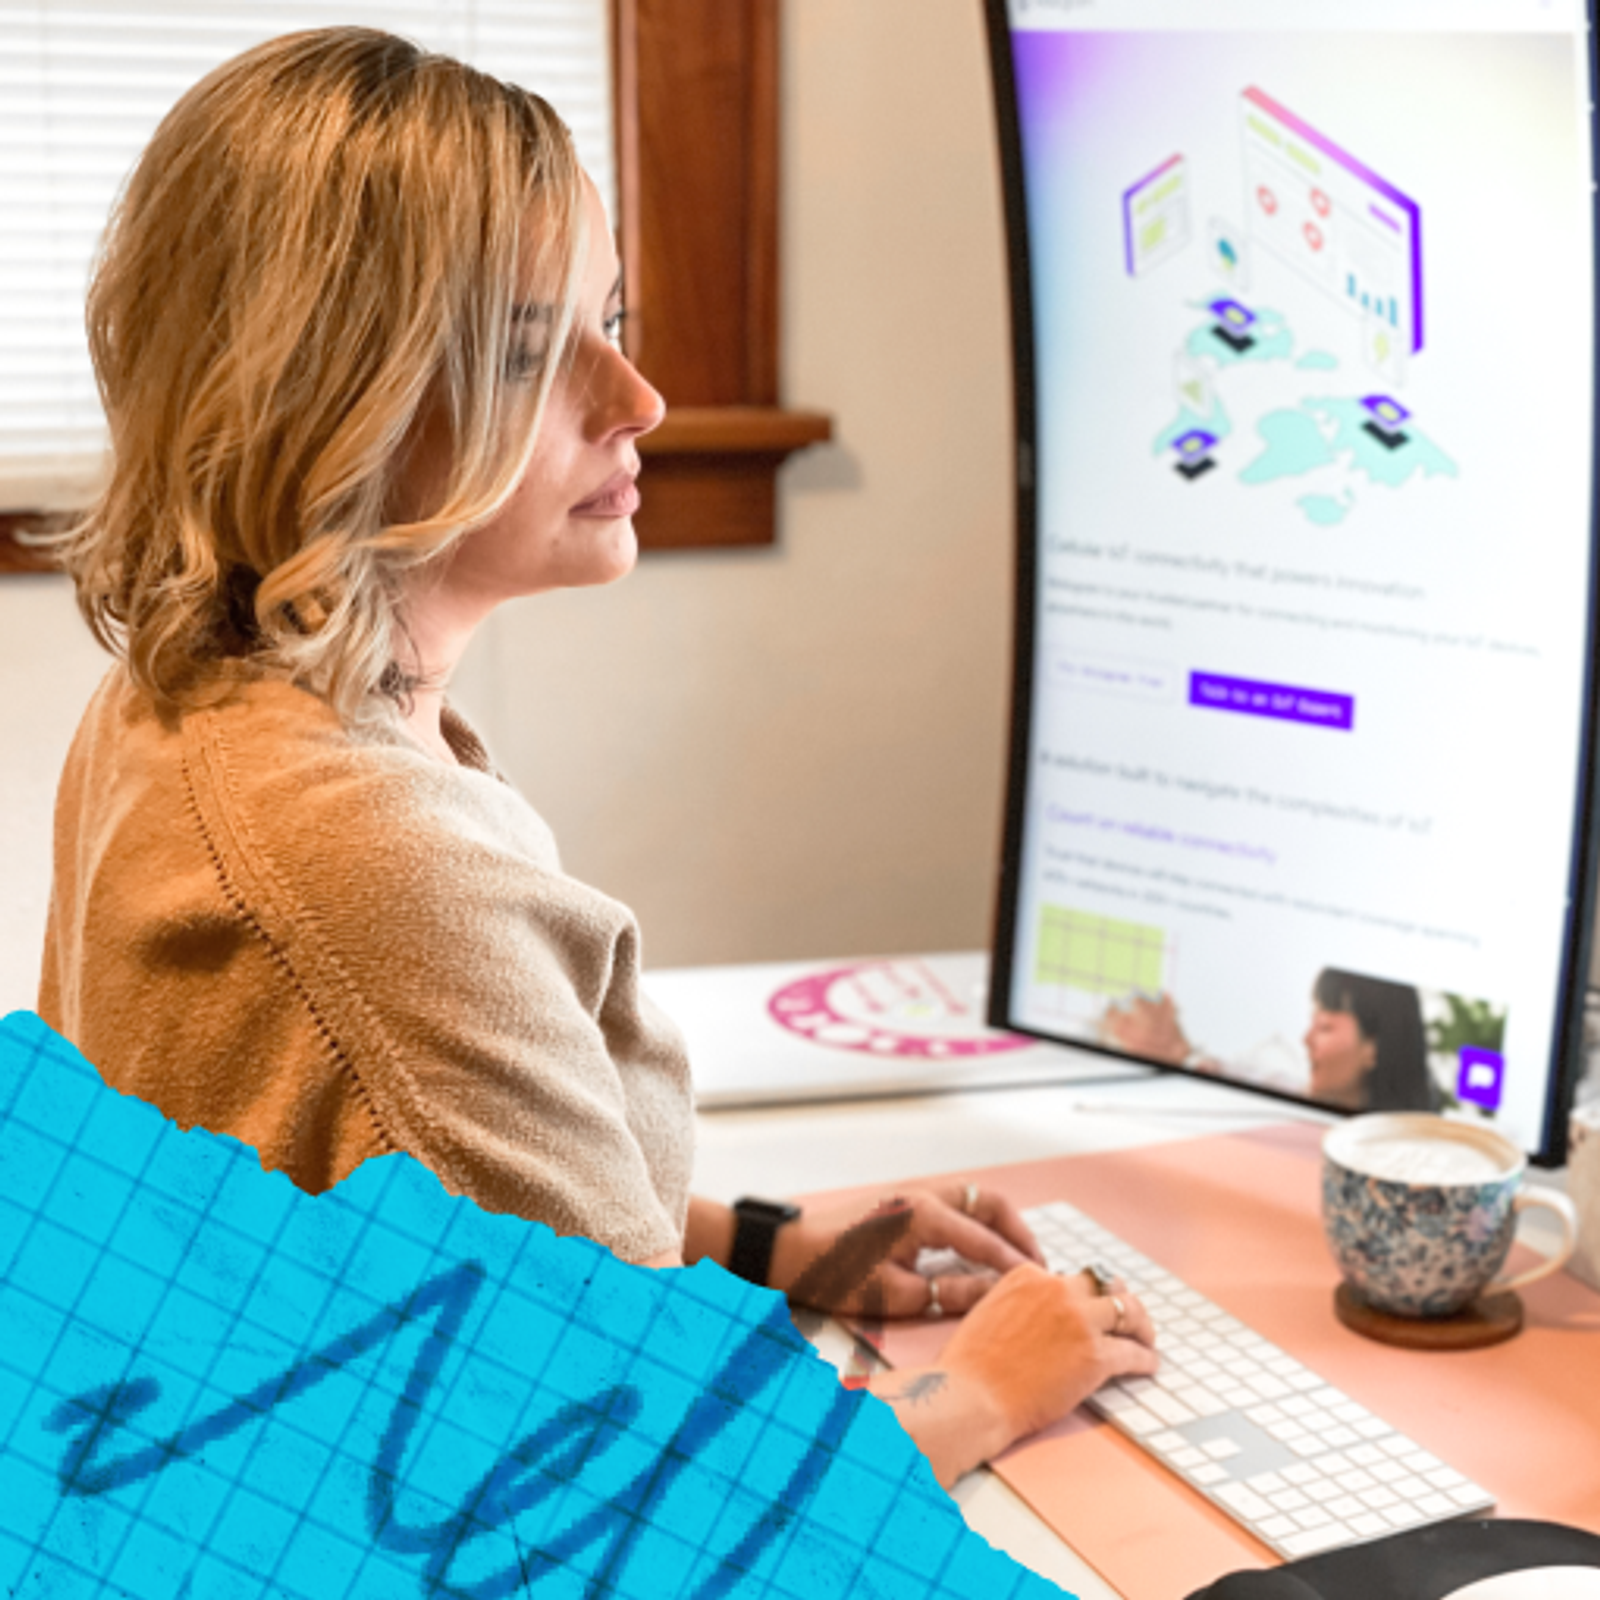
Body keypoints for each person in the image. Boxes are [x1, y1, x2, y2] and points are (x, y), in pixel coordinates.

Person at [36, 28, 1157, 1490]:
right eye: (525, 349)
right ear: (328, 397)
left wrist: (770, 1240)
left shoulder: (188, 695)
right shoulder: (370, 873)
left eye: (611, 316)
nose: (638, 398)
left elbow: (423, 1183)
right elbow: (664, 1518)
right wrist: (992, 1392)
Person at [1101, 967, 1439, 1112]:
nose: (1305, 1039)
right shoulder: (1287, 1090)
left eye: (1324, 1027)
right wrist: (1179, 1053)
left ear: (1375, 1048)